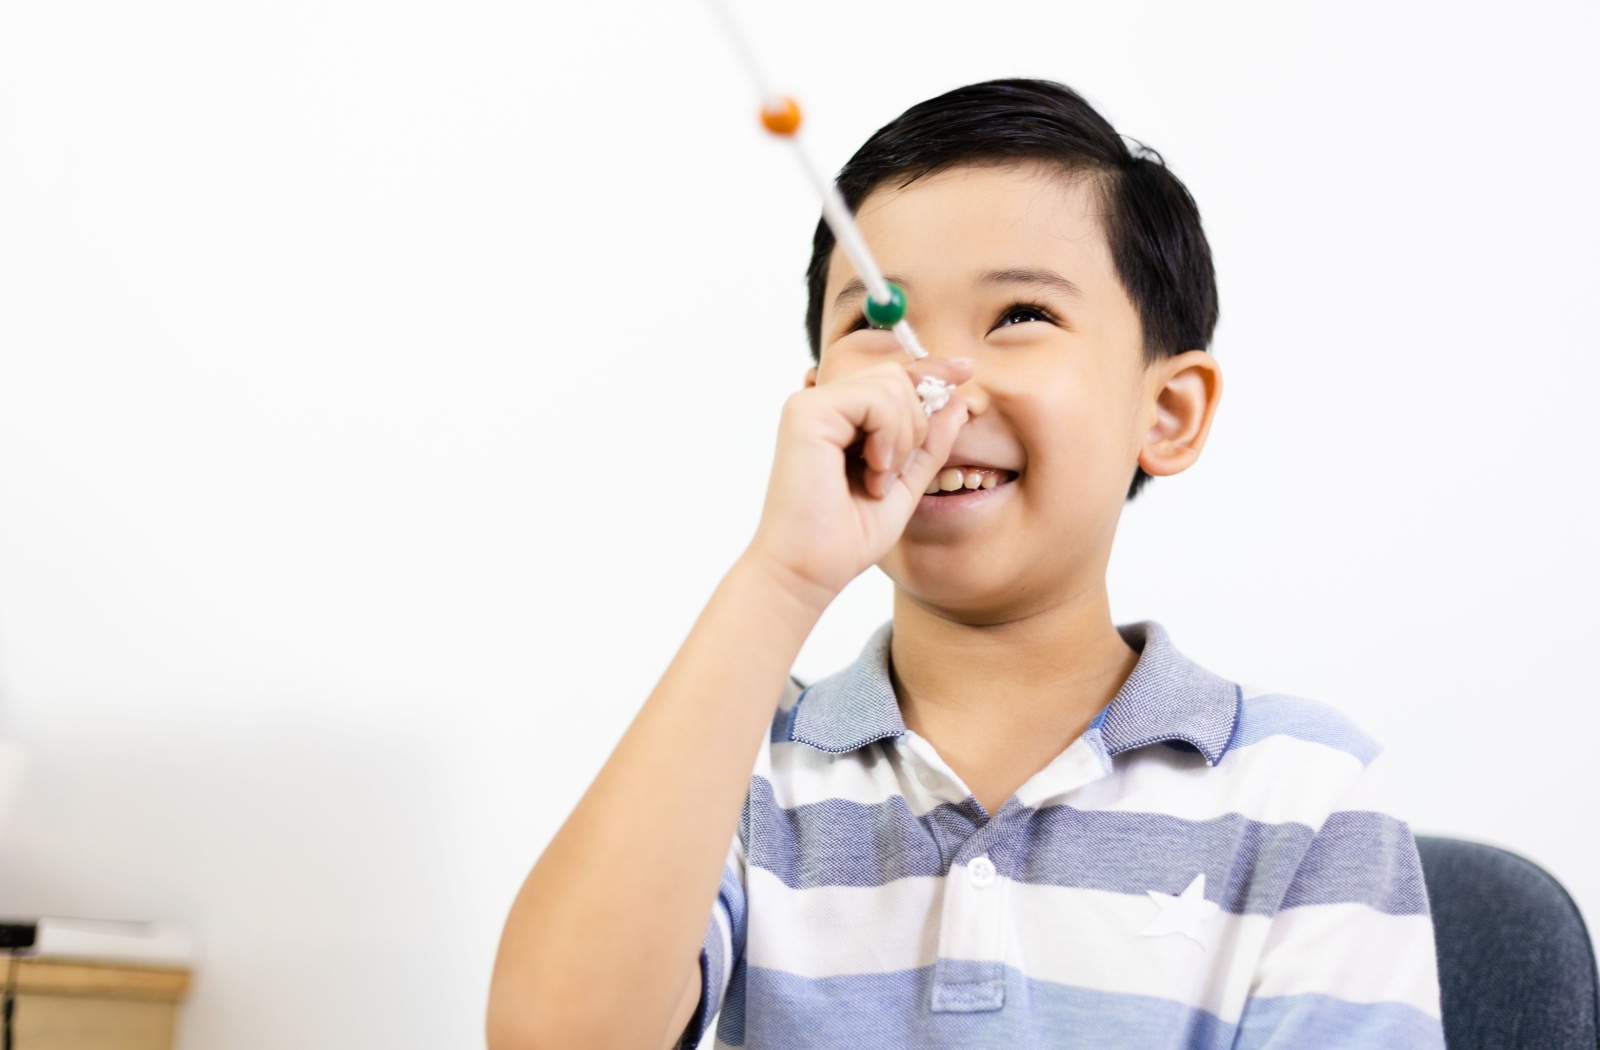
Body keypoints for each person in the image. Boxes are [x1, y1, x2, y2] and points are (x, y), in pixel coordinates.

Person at [486, 79, 1445, 1049]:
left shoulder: (1305, 795)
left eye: (1020, 314)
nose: (932, 384)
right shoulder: (742, 770)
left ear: (1166, 413)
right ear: (819, 398)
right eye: (875, 321)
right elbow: (553, 1035)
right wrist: (782, 577)